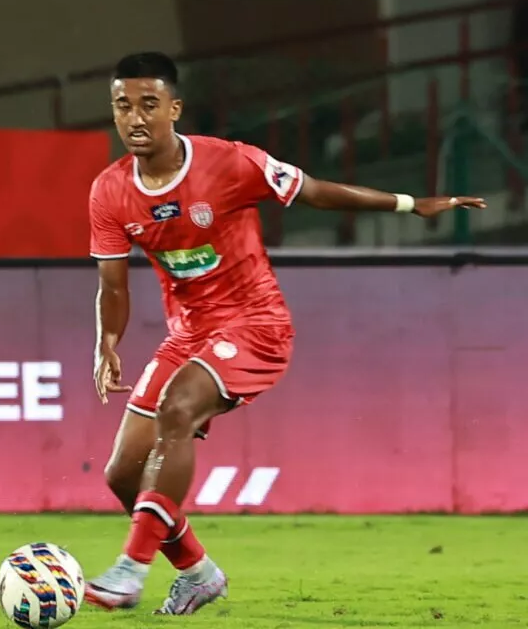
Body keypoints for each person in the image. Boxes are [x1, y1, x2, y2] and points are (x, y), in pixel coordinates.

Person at [82, 52, 484, 615]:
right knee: (123, 473)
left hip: (256, 325)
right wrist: (107, 342)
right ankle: (197, 572)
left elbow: (315, 191)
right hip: (188, 335)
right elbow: (114, 286)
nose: (135, 118)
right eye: (123, 106)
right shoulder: (109, 191)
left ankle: (130, 569)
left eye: (149, 104)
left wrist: (413, 204)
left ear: (174, 108)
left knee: (177, 410)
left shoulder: (229, 163)